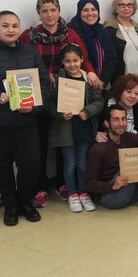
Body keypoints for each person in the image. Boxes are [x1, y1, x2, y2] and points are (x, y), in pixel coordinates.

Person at [20, 0, 99, 207]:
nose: (49, 14)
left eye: (53, 10)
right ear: (38, 13)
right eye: (44, 11)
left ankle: (64, 183)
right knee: (40, 142)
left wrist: (91, 72)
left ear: (59, 11)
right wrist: (46, 75)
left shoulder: (70, 34)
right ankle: (41, 186)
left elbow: (83, 58)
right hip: (40, 95)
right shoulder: (29, 35)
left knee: (66, 140)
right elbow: (22, 61)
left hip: (67, 96)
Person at [0, 10, 49, 226]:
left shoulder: (30, 52)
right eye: (5, 25)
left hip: (26, 122)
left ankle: (25, 202)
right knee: (1, 165)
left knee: (30, 164)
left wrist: (34, 107)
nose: (11, 30)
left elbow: (43, 84)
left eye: (15, 26)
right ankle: (10, 205)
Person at [48, 44, 104, 212]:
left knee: (82, 163)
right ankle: (72, 194)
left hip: (84, 129)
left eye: (75, 60)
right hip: (65, 130)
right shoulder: (58, 79)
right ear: (62, 62)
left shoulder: (88, 79)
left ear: (82, 60)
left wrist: (87, 111)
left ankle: (83, 192)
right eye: (67, 61)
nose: (72, 64)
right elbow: (50, 103)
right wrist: (60, 114)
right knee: (70, 163)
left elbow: (99, 101)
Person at [68, 0, 117, 88]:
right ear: (79, 12)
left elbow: (111, 58)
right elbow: (72, 58)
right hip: (78, 84)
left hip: (100, 84)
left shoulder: (101, 30)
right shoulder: (71, 30)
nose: (90, 13)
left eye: (93, 9)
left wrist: (102, 82)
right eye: (85, 10)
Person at [104, 0, 138, 84]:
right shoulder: (109, 28)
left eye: (130, 5)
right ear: (116, 8)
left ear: (134, 7)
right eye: (122, 5)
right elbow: (107, 58)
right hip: (121, 78)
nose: (126, 8)